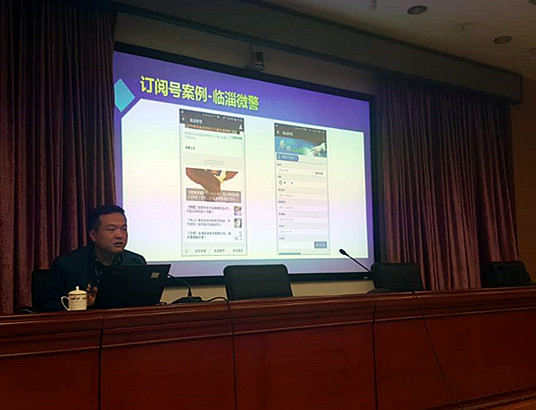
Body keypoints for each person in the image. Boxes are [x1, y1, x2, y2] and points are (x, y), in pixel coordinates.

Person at [37, 205, 146, 311]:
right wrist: (81, 305)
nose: (120, 235)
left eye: (124, 229)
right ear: (93, 235)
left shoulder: (136, 262)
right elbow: (46, 305)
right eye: (111, 229)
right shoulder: (67, 265)